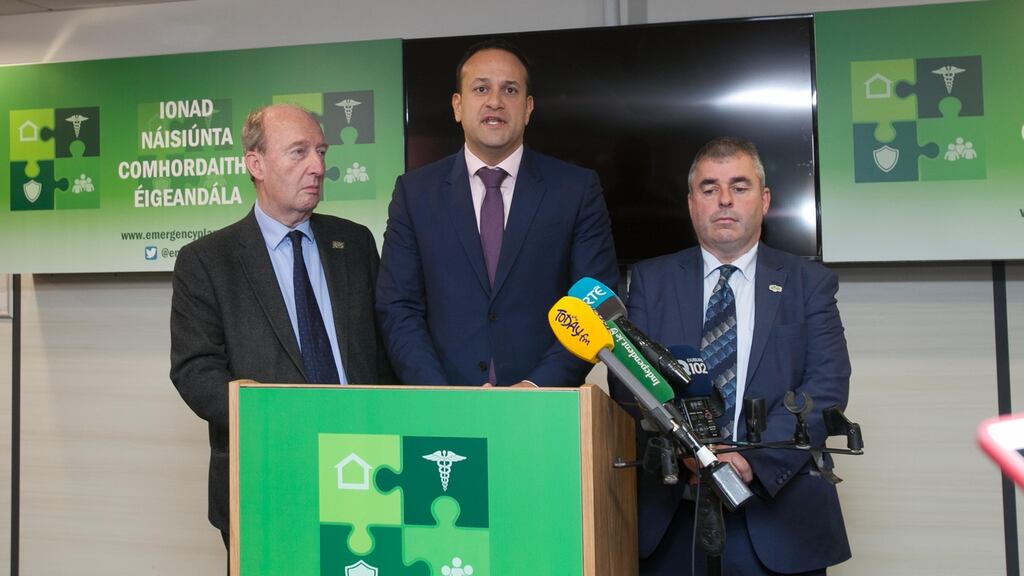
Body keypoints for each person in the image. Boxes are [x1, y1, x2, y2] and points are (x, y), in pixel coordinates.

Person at [620, 137, 851, 574]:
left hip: (777, 513)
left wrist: (747, 460)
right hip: (672, 520)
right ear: (692, 204)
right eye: (709, 188)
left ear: (764, 200)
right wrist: (691, 450)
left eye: (739, 187)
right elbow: (629, 381)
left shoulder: (809, 283)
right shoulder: (650, 281)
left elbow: (827, 385)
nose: (724, 200)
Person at [170, 104, 392, 547]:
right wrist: (264, 410)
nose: (318, 167)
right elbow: (195, 370)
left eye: (322, 152)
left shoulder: (355, 243)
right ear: (256, 164)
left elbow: (385, 348)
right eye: (299, 152)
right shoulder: (207, 262)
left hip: (364, 466)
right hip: (267, 475)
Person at [376, 39, 618, 387]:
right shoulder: (415, 194)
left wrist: (537, 386)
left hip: (542, 407)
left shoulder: (575, 191)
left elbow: (594, 303)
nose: (495, 101)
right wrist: (438, 392)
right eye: (481, 88)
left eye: (509, 90)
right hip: (445, 408)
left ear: (528, 107)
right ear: (457, 106)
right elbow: (398, 307)